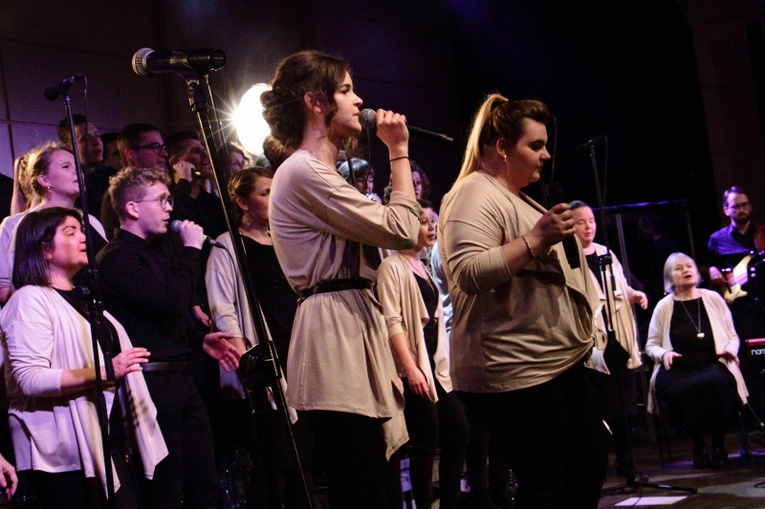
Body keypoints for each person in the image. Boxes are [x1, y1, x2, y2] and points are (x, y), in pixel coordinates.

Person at [261, 49, 422, 508]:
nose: (359, 101)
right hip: (333, 338)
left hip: (352, 325)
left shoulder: (323, 172)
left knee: (381, 484)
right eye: (347, 90)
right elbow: (403, 229)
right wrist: (399, 151)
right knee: (365, 487)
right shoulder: (302, 171)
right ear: (316, 102)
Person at [438, 93, 606, 508]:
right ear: (501, 147)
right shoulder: (473, 193)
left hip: (553, 364)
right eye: (535, 145)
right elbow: (469, 272)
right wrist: (537, 237)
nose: (547, 154)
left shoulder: (514, 194)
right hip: (516, 369)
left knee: (585, 465)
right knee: (547, 486)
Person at [0, 207, 166, 508]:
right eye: (70, 231)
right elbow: (30, 379)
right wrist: (105, 372)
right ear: (44, 248)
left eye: (81, 229)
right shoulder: (29, 300)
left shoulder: (85, 299)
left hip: (106, 444)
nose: (83, 238)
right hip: (63, 456)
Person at [96, 166, 239, 508]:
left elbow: (161, 317)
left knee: (205, 484)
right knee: (168, 489)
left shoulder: (154, 252)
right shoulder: (117, 257)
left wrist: (195, 340)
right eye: (161, 200)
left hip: (181, 376)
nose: (169, 208)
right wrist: (192, 251)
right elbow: (171, 303)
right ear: (132, 208)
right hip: (152, 383)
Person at [205, 166, 316, 508]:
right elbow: (224, 311)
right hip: (268, 363)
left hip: (303, 355)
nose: (274, 198)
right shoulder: (228, 247)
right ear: (242, 202)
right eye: (265, 193)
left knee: (305, 461)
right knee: (277, 463)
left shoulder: (288, 238)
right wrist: (251, 368)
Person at [378, 201, 468, 509]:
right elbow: (392, 321)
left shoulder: (424, 267)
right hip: (414, 367)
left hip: (434, 367)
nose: (431, 228)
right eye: (423, 222)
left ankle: (450, 502)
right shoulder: (392, 267)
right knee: (426, 441)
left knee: (458, 430)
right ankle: (424, 503)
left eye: (432, 222)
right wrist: (410, 368)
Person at [645, 252, 748, 468]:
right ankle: (698, 445)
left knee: (717, 383)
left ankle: (718, 444)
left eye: (689, 266)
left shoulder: (713, 298)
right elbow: (651, 345)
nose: (686, 270)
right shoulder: (664, 306)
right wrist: (664, 354)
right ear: (670, 278)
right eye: (679, 268)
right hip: (678, 367)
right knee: (680, 390)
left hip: (712, 361)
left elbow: (732, 335)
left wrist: (730, 349)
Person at [570, 200, 647, 479]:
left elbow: (620, 287)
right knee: (601, 402)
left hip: (617, 336)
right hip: (592, 339)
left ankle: (627, 461)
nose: (588, 226)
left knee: (625, 401)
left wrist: (635, 295)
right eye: (580, 222)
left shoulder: (606, 253)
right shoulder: (568, 256)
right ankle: (600, 463)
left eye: (590, 220)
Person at [0, 143, 107, 305]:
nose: (77, 171)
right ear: (44, 179)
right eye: (66, 166)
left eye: (77, 166)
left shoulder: (91, 221)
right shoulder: (17, 224)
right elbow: (7, 288)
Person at [57, 114, 117, 216]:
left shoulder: (110, 174)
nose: (96, 142)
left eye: (97, 135)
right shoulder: (65, 181)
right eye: (85, 139)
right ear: (69, 147)